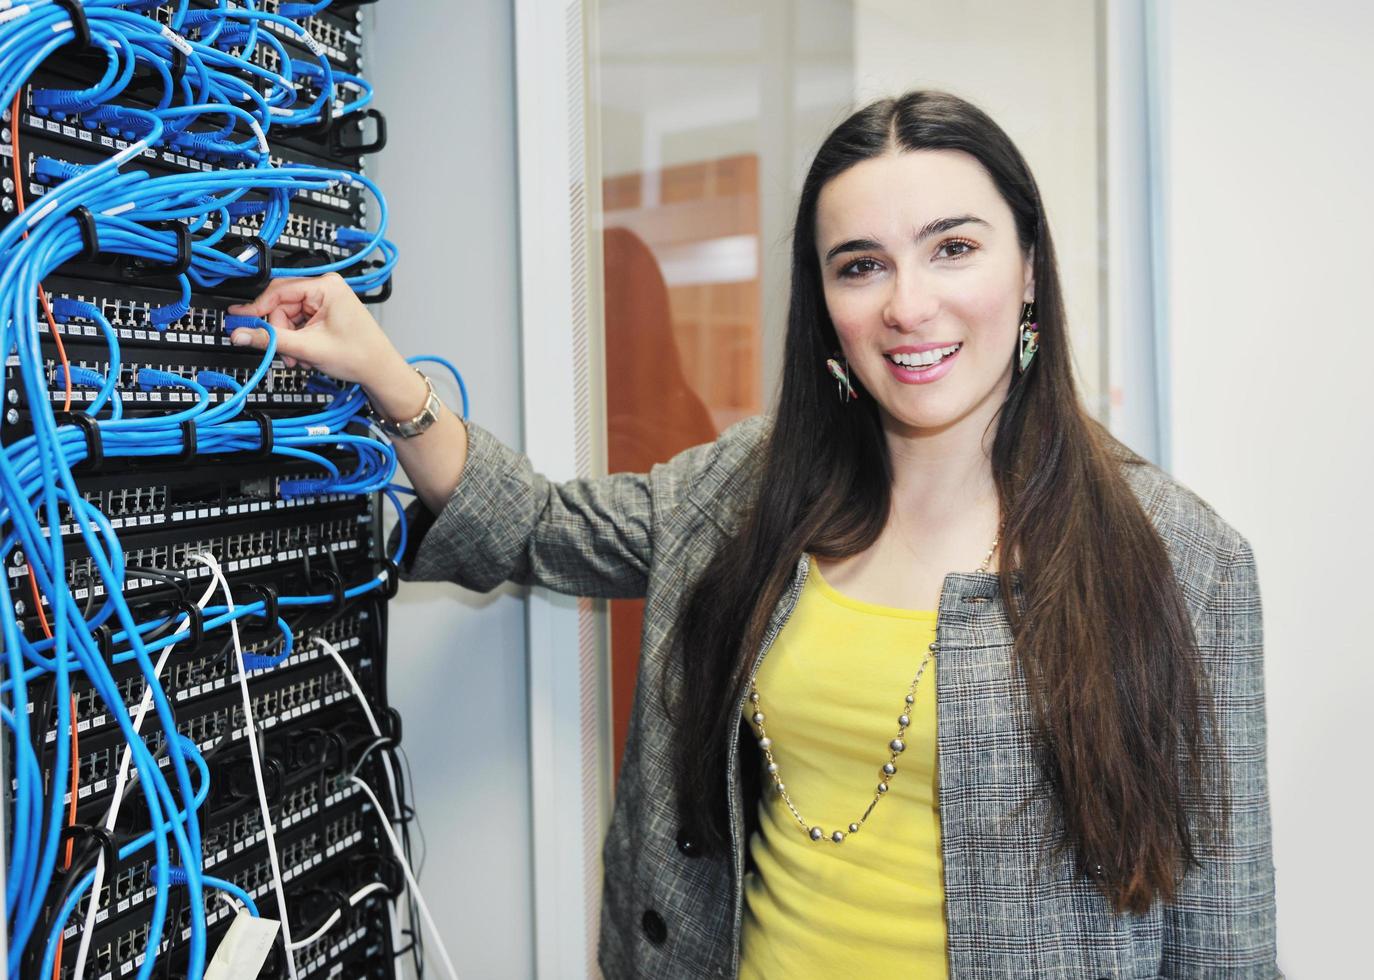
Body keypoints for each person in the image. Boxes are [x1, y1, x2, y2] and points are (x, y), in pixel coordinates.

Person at [226, 90, 1281, 979]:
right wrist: (381, 371)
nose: (909, 305)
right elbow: (538, 524)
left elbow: (1224, 935)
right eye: (860, 265)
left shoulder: (1182, 559)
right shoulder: (751, 490)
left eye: (953, 248)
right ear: (823, 304)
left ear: (1030, 270)